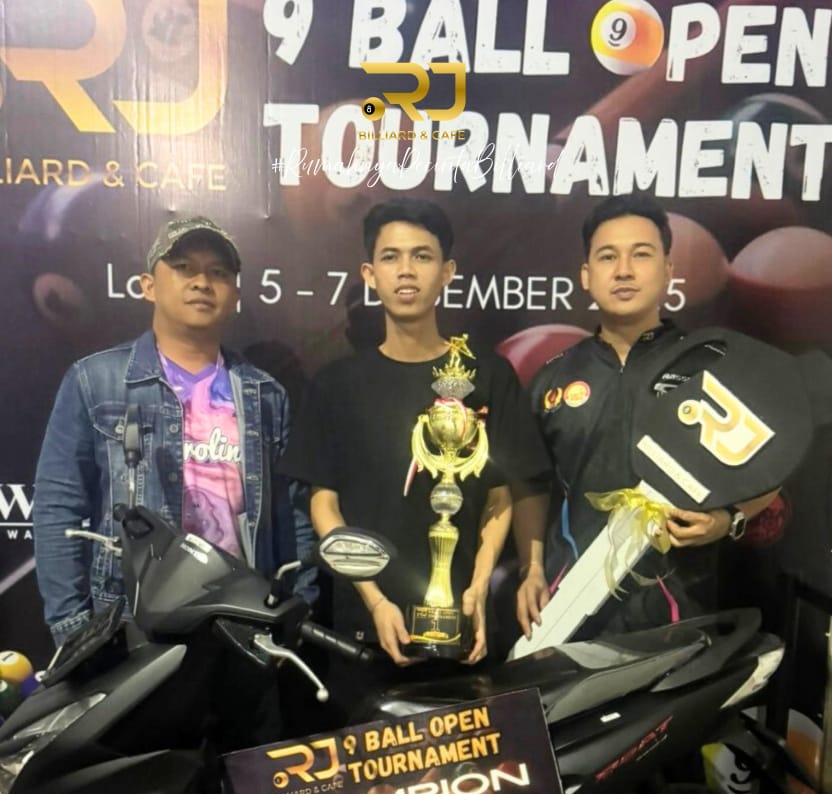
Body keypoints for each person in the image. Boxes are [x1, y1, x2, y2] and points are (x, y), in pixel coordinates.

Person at [33, 215, 315, 742]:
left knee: (249, 782)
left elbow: (293, 515)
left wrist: (294, 616)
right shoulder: (95, 381)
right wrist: (75, 631)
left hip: (243, 632)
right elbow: (56, 508)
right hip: (134, 633)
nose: (202, 282)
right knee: (142, 785)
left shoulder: (264, 394)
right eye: (183, 267)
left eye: (218, 272)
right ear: (148, 285)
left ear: (235, 293)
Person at [281, 198, 549, 687]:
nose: (406, 270)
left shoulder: (487, 376)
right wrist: (375, 602)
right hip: (364, 636)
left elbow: (501, 493)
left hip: (466, 634)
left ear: (447, 272)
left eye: (422, 256)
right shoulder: (335, 385)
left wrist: (477, 589)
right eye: (391, 257)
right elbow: (324, 507)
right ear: (369, 274)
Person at [515, 193, 779, 641]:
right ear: (586, 275)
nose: (623, 270)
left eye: (641, 254)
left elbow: (771, 466)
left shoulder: (710, 367)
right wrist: (532, 568)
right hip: (568, 611)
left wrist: (727, 519)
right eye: (607, 257)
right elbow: (529, 484)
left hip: (680, 612)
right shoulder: (552, 378)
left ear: (668, 270)